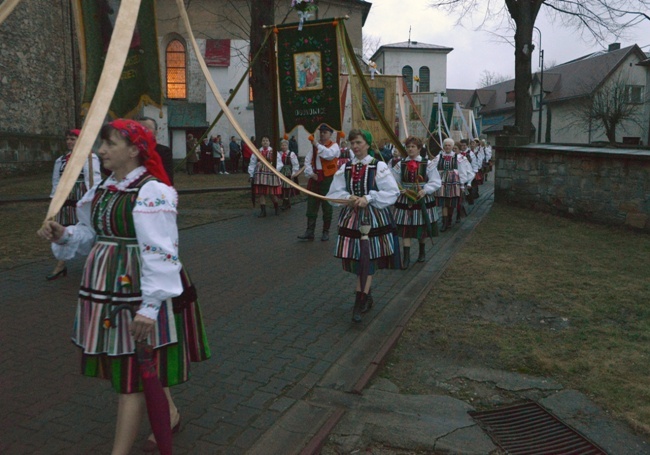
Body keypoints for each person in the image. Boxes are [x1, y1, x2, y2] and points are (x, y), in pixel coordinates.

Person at [37, 119, 210, 455]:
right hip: (106, 285)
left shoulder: (152, 191)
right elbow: (91, 235)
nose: (101, 150)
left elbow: (161, 251)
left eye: (109, 144)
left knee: (131, 374)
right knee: (131, 362)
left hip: (137, 285)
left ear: (133, 150)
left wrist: (149, 307)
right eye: (102, 144)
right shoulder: (103, 189)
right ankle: (170, 413)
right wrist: (65, 235)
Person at [327, 129, 400, 323]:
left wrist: (369, 197)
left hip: (373, 218)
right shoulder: (346, 167)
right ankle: (365, 296)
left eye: (358, 142)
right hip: (351, 219)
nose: (355, 147)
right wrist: (347, 197)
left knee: (368, 258)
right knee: (358, 259)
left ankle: (359, 301)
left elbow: (392, 192)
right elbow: (333, 193)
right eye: (352, 143)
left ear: (367, 144)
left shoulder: (379, 166)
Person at [46, 128, 101, 280]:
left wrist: (93, 197)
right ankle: (60, 265)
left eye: (73, 139)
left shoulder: (90, 157)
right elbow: (56, 180)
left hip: (82, 196)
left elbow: (94, 179)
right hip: (66, 196)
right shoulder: (61, 160)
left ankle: (92, 263)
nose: (69, 142)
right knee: (65, 229)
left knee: (86, 228)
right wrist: (55, 198)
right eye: (68, 139)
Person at [391, 136, 441, 269]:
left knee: (421, 226)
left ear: (419, 149)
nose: (410, 149)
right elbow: (393, 180)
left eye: (413, 147)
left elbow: (436, 181)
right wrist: (399, 189)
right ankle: (406, 257)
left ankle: (422, 251)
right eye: (408, 147)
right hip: (405, 199)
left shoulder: (427, 163)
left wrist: (425, 190)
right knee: (405, 227)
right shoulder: (400, 164)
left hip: (421, 197)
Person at [297, 124, 341, 241]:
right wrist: (311, 174)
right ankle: (309, 231)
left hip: (328, 179)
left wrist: (316, 144)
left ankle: (325, 231)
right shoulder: (315, 147)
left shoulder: (334, 146)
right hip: (316, 178)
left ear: (330, 134)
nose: (322, 134)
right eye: (321, 132)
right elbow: (307, 161)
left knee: (327, 205)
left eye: (325, 132)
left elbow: (328, 155)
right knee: (312, 204)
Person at [434, 138, 474, 232]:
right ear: (443, 146)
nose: (447, 147)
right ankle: (444, 223)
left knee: (451, 203)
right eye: (446, 145)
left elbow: (463, 171)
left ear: (452, 147)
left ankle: (449, 221)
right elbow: (432, 168)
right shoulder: (438, 157)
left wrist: (463, 184)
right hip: (442, 182)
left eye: (449, 145)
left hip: (454, 183)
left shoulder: (459, 157)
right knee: (443, 203)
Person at [248, 136, 282, 217]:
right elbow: (252, 163)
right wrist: (251, 174)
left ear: (269, 142)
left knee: (272, 193)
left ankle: (276, 208)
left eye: (267, 140)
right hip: (260, 175)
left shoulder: (274, 152)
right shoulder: (257, 152)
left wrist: (274, 168)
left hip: (271, 174)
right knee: (261, 193)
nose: (265, 142)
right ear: (261, 142)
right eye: (263, 140)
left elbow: (279, 163)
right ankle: (263, 211)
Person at [140, 117, 174, 185]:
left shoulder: (163, 151)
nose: (143, 131)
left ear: (155, 132)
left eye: (147, 128)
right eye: (139, 128)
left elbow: (168, 178)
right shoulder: (129, 151)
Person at [278, 139, 300, 210]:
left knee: (287, 188)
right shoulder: (279, 154)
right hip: (281, 173)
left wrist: (294, 173)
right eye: (282, 145)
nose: (283, 147)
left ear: (287, 146)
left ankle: (285, 203)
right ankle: (287, 203)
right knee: (282, 188)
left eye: (285, 145)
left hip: (288, 173)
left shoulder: (291, 154)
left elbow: (295, 164)